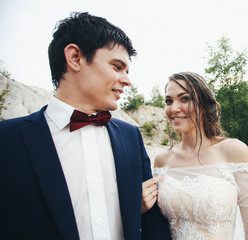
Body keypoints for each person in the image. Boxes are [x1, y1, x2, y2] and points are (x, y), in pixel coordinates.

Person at [0, 12, 171, 240]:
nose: (127, 80)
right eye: (117, 67)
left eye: (127, 71)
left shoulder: (131, 137)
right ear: (75, 58)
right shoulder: (7, 140)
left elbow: (152, 224)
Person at [142, 72, 248, 239]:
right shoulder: (162, 160)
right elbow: (156, 225)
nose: (174, 108)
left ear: (204, 104)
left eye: (185, 98)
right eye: (168, 101)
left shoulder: (234, 151)